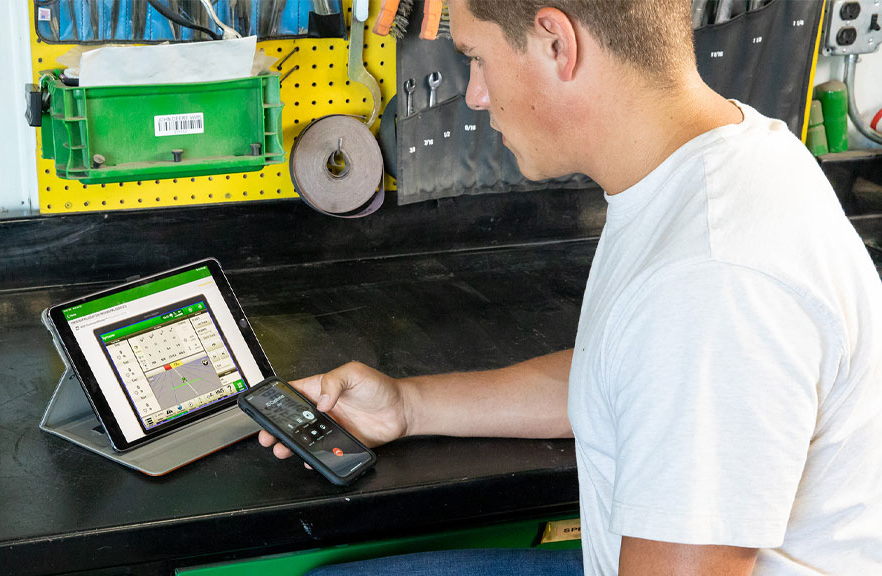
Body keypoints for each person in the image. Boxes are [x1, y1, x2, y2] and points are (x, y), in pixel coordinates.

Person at [261, 0, 882, 574]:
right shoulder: (725, 158)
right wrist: (408, 406)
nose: (474, 95)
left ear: (557, 42)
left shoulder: (712, 280)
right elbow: (625, 379)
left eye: (477, 58)